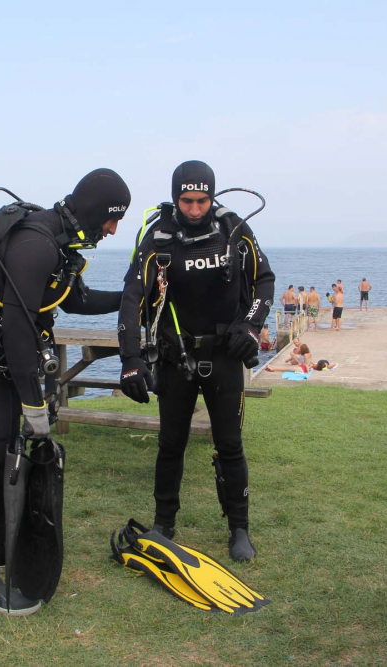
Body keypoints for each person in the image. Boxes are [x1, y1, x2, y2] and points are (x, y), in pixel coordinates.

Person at [0, 168, 131, 615]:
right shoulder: (36, 243)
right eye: (110, 218)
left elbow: (74, 301)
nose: (112, 229)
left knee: (1, 468)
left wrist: (133, 297)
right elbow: (17, 333)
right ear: (91, 210)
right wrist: (34, 405)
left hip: (2, 370)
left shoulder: (59, 244)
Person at [117, 160, 275, 563]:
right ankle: (163, 524)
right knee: (171, 444)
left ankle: (239, 528)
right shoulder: (160, 237)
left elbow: (264, 280)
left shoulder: (233, 229)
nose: (193, 209)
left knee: (230, 445)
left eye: (202, 200)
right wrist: (131, 359)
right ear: (175, 198)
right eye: (186, 200)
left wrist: (252, 327)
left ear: (212, 196)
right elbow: (133, 296)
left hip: (225, 355)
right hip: (176, 358)